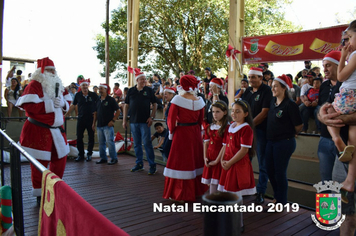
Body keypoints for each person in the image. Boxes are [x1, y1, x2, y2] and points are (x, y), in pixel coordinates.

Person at [15, 57, 72, 203]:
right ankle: (40, 195)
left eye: (54, 70)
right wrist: (50, 105)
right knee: (39, 164)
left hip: (57, 131)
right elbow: (28, 106)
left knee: (60, 161)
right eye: (49, 70)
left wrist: (63, 103)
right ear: (41, 71)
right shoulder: (34, 85)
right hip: (38, 131)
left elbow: (68, 102)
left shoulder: (59, 84)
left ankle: (54, 188)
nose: (52, 72)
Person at [163, 75, 208, 202]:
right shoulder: (199, 100)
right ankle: (197, 190)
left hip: (181, 133)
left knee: (180, 161)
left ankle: (180, 194)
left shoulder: (177, 99)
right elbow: (201, 121)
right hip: (194, 133)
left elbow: (171, 120)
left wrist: (171, 133)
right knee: (195, 160)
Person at [326, 22, 356, 196]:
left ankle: (336, 138)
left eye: (350, 38)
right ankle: (350, 179)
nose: (348, 43)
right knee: (353, 134)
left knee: (330, 113)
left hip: (349, 95)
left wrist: (344, 54)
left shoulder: (354, 55)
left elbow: (342, 76)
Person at [217, 99, 256, 232]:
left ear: (245, 114)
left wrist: (229, 163)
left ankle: (238, 224)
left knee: (235, 197)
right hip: (227, 164)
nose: (234, 114)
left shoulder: (246, 129)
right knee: (226, 195)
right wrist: (222, 160)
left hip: (237, 166)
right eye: (233, 111)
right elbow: (225, 146)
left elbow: (244, 150)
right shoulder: (230, 126)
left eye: (238, 111)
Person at [265, 75, 303, 204]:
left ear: (284, 88)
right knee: (269, 170)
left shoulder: (290, 105)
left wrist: (289, 133)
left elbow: (299, 126)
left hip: (284, 142)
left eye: (275, 86)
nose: (273, 88)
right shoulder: (272, 102)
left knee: (279, 173)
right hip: (271, 142)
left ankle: (281, 201)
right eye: (272, 86)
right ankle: (277, 197)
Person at [241, 67, 273, 204]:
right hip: (246, 130)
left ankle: (261, 191)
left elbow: (265, 112)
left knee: (262, 163)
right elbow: (241, 108)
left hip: (260, 131)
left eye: (254, 77)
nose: (251, 80)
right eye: (250, 77)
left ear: (261, 78)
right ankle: (244, 187)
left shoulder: (267, 91)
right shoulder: (247, 91)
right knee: (244, 159)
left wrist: (249, 125)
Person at [123, 67, 157, 175]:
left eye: (145, 79)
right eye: (142, 79)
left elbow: (155, 104)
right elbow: (126, 106)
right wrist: (124, 120)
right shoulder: (131, 91)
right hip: (133, 121)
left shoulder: (149, 90)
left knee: (147, 143)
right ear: (137, 80)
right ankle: (139, 164)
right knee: (136, 144)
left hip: (145, 122)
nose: (144, 81)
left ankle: (152, 165)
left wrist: (151, 116)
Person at [317, 50, 344, 182]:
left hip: (345, 141)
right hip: (324, 138)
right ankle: (327, 204)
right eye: (323, 65)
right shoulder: (324, 86)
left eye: (328, 65)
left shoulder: (349, 85)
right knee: (326, 182)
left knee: (342, 185)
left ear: (339, 65)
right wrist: (321, 117)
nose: (324, 69)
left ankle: (342, 204)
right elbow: (320, 109)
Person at [66, 79, 99, 162]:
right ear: (80, 86)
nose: (84, 87)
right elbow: (74, 105)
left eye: (86, 85)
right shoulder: (78, 95)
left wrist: (96, 117)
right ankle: (80, 154)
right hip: (81, 119)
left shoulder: (93, 95)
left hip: (90, 119)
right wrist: (67, 114)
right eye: (83, 85)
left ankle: (89, 154)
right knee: (79, 137)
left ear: (88, 86)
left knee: (91, 137)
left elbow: (98, 105)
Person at [202, 101, 229, 194]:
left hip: (220, 158)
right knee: (211, 183)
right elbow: (206, 143)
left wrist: (217, 160)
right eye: (213, 112)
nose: (215, 114)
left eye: (218, 112)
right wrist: (205, 157)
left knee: (219, 183)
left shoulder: (227, 127)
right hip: (210, 157)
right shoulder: (210, 126)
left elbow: (224, 145)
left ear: (225, 112)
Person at [93, 84, 120, 165]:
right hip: (99, 125)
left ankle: (114, 158)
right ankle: (103, 158)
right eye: (99, 89)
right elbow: (95, 112)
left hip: (108, 125)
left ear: (106, 89)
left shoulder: (111, 99)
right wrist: (93, 123)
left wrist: (113, 120)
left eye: (101, 89)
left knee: (110, 141)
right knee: (101, 143)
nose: (100, 90)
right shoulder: (97, 100)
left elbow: (118, 110)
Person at [162, 86, 176, 161]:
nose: (164, 96)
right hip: (169, 129)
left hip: (171, 130)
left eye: (166, 94)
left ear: (171, 94)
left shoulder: (173, 104)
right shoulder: (170, 104)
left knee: (167, 147)